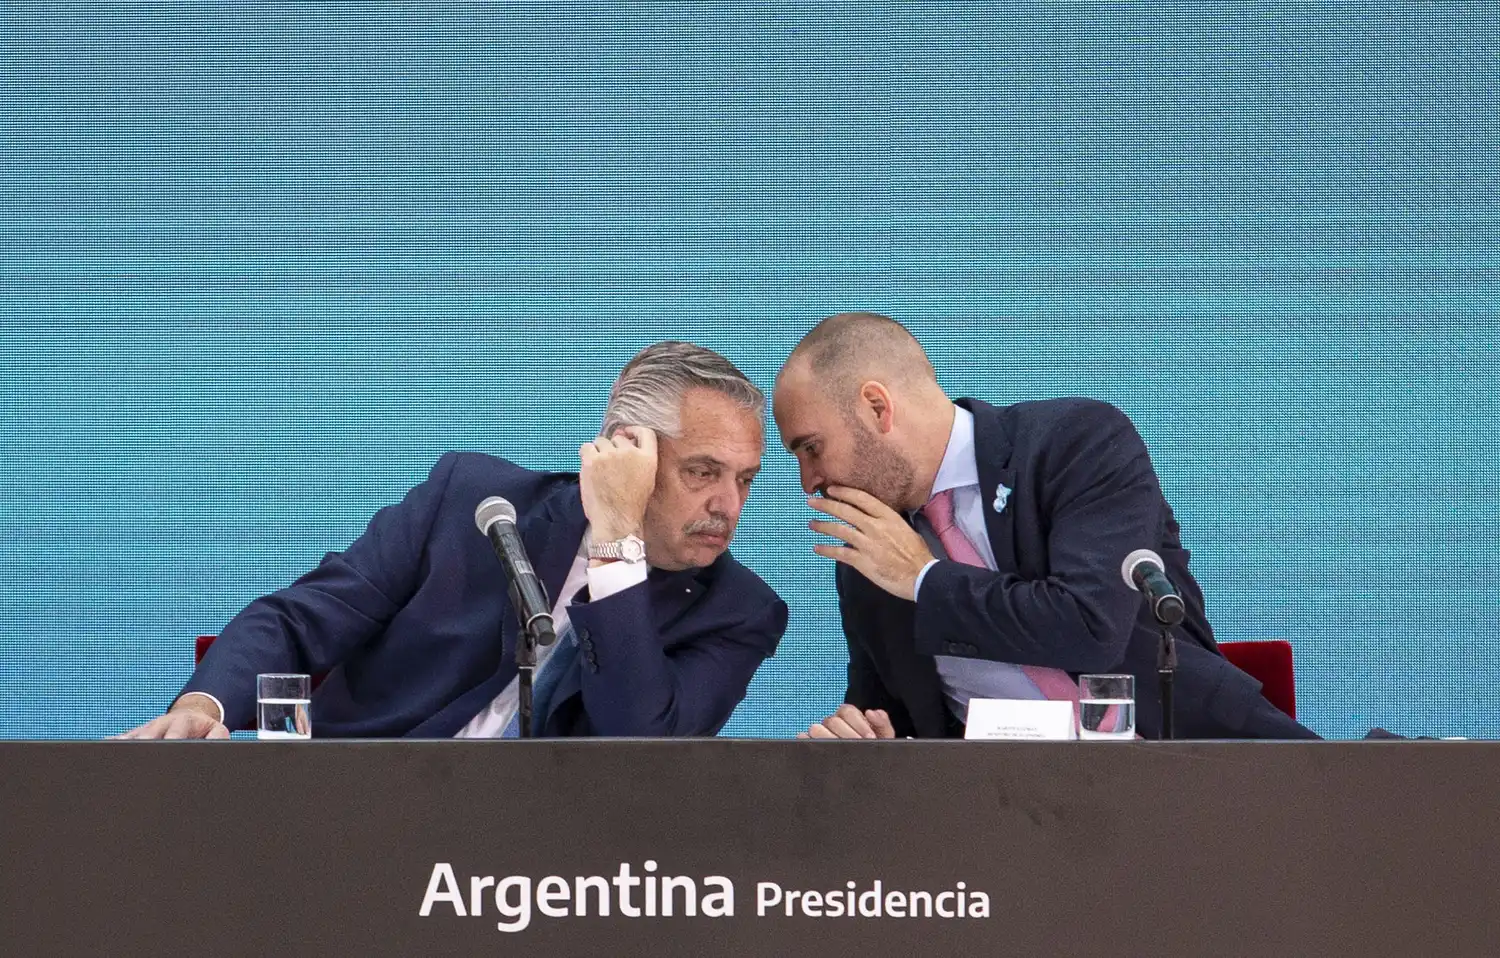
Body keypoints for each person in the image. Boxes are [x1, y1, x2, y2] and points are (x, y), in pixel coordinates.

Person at [119, 341, 787, 739]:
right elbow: (299, 621)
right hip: (358, 808)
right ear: (623, 450)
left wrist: (617, 542)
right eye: (702, 472)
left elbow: (639, 746)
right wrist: (202, 705)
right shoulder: (472, 500)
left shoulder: (740, 613)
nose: (727, 506)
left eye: (745, 479)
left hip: (539, 877)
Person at [772, 312, 1316, 740]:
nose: (808, 483)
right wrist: (865, 735)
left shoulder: (1075, 442)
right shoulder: (869, 552)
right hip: (1004, 812)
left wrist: (924, 579)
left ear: (876, 407)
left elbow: (1091, 626)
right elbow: (891, 708)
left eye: (811, 448)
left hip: (1189, 769)